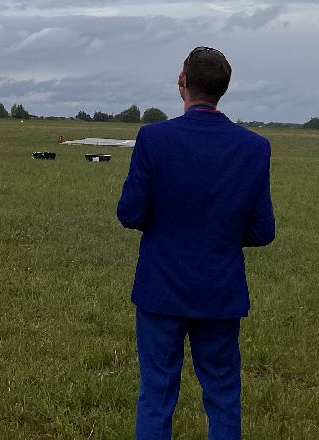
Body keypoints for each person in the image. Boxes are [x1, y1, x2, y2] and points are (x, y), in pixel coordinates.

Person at [117, 47, 276, 439]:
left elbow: (130, 213)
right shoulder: (254, 147)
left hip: (161, 289)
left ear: (182, 82)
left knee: (156, 394)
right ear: (224, 89)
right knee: (222, 393)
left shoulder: (153, 138)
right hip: (220, 292)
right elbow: (262, 231)